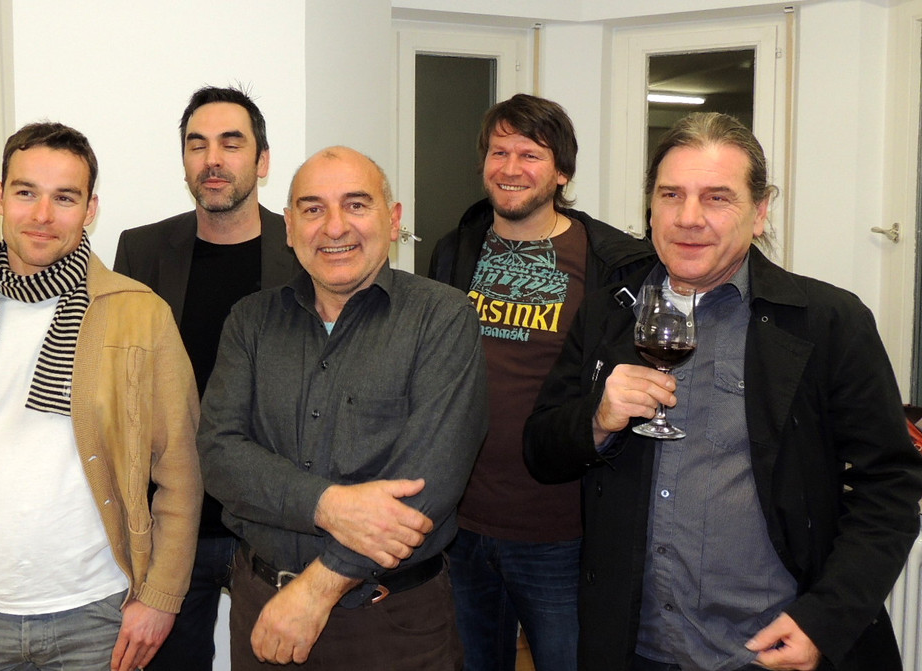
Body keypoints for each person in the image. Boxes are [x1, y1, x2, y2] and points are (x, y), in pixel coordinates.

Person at [524, 112, 922, 671]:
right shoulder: (608, 313)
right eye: (671, 195)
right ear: (650, 207)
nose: (689, 218)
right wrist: (597, 418)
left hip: (769, 651)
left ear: (760, 212)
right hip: (633, 648)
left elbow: (891, 486)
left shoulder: (827, 322)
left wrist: (826, 619)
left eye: (717, 198)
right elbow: (541, 450)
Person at [0, 122, 202, 671]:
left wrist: (161, 596)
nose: (42, 215)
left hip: (100, 616)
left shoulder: (141, 315)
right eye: (26, 192)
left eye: (64, 197)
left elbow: (180, 469)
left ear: (90, 209)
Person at [198, 145, 488, 670]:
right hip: (261, 612)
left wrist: (316, 591)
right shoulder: (250, 322)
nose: (334, 227)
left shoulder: (443, 318)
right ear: (289, 227)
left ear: (393, 219)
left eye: (356, 204)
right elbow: (219, 455)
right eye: (313, 209)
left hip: (393, 625)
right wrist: (328, 504)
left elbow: (428, 487)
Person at [429, 93, 653, 671]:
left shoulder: (611, 265)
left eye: (530, 154)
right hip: (461, 525)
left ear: (562, 173)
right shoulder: (455, 252)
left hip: (560, 532)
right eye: (498, 151)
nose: (510, 167)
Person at [114, 85, 294, 670]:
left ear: (262, 161)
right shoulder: (142, 251)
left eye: (231, 143)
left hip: (269, 524)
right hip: (172, 523)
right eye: (198, 145)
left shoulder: (303, 249)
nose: (212, 159)